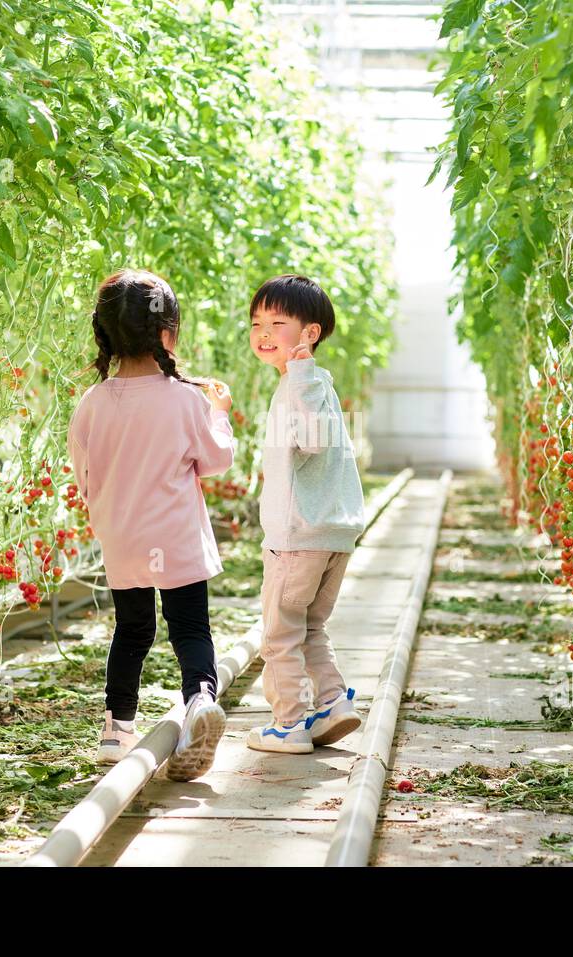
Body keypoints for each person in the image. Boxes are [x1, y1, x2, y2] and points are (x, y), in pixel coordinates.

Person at [66, 268, 235, 781]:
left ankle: (116, 729)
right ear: (168, 332)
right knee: (189, 627)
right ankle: (200, 699)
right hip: (175, 535)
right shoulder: (187, 399)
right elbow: (216, 460)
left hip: (123, 537)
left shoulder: (91, 404)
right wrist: (219, 412)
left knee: (132, 630)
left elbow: (84, 474)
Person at [246, 274, 365, 754]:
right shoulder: (316, 383)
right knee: (310, 627)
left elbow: (311, 441)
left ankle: (289, 723)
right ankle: (334, 702)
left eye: (278, 321)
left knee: (278, 636)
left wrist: (297, 376)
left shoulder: (302, 381)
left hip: (298, 538)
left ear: (310, 333)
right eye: (257, 323)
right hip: (331, 536)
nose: (265, 333)